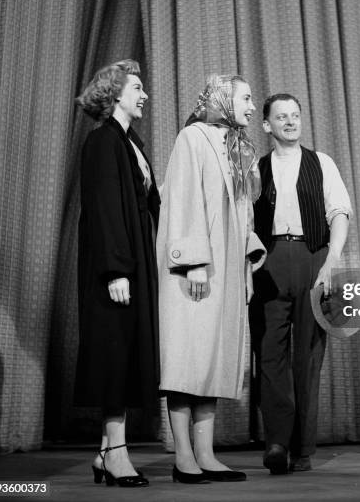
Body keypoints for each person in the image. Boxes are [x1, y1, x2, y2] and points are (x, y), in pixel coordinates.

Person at [157, 74, 266, 484]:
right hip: (196, 268)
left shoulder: (237, 146)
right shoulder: (193, 137)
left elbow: (241, 213)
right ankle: (183, 454)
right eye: (247, 98)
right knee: (188, 358)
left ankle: (206, 452)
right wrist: (194, 262)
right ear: (222, 98)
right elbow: (182, 198)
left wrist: (246, 261)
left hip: (227, 268)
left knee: (213, 361)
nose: (253, 107)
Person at [250, 94, 352, 474]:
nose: (290, 122)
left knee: (308, 356)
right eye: (281, 117)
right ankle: (276, 441)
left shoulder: (321, 162)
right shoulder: (256, 168)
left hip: (313, 258)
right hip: (268, 260)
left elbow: (338, 212)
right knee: (269, 353)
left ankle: (302, 449)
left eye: (295, 115)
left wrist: (331, 262)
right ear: (266, 125)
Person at [74, 59, 160, 487]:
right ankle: (115, 453)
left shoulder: (130, 142)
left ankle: (105, 453)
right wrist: (115, 271)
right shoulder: (102, 142)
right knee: (114, 357)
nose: (144, 94)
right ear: (114, 94)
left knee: (125, 355)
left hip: (134, 262)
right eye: (137, 87)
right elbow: (105, 210)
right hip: (116, 268)